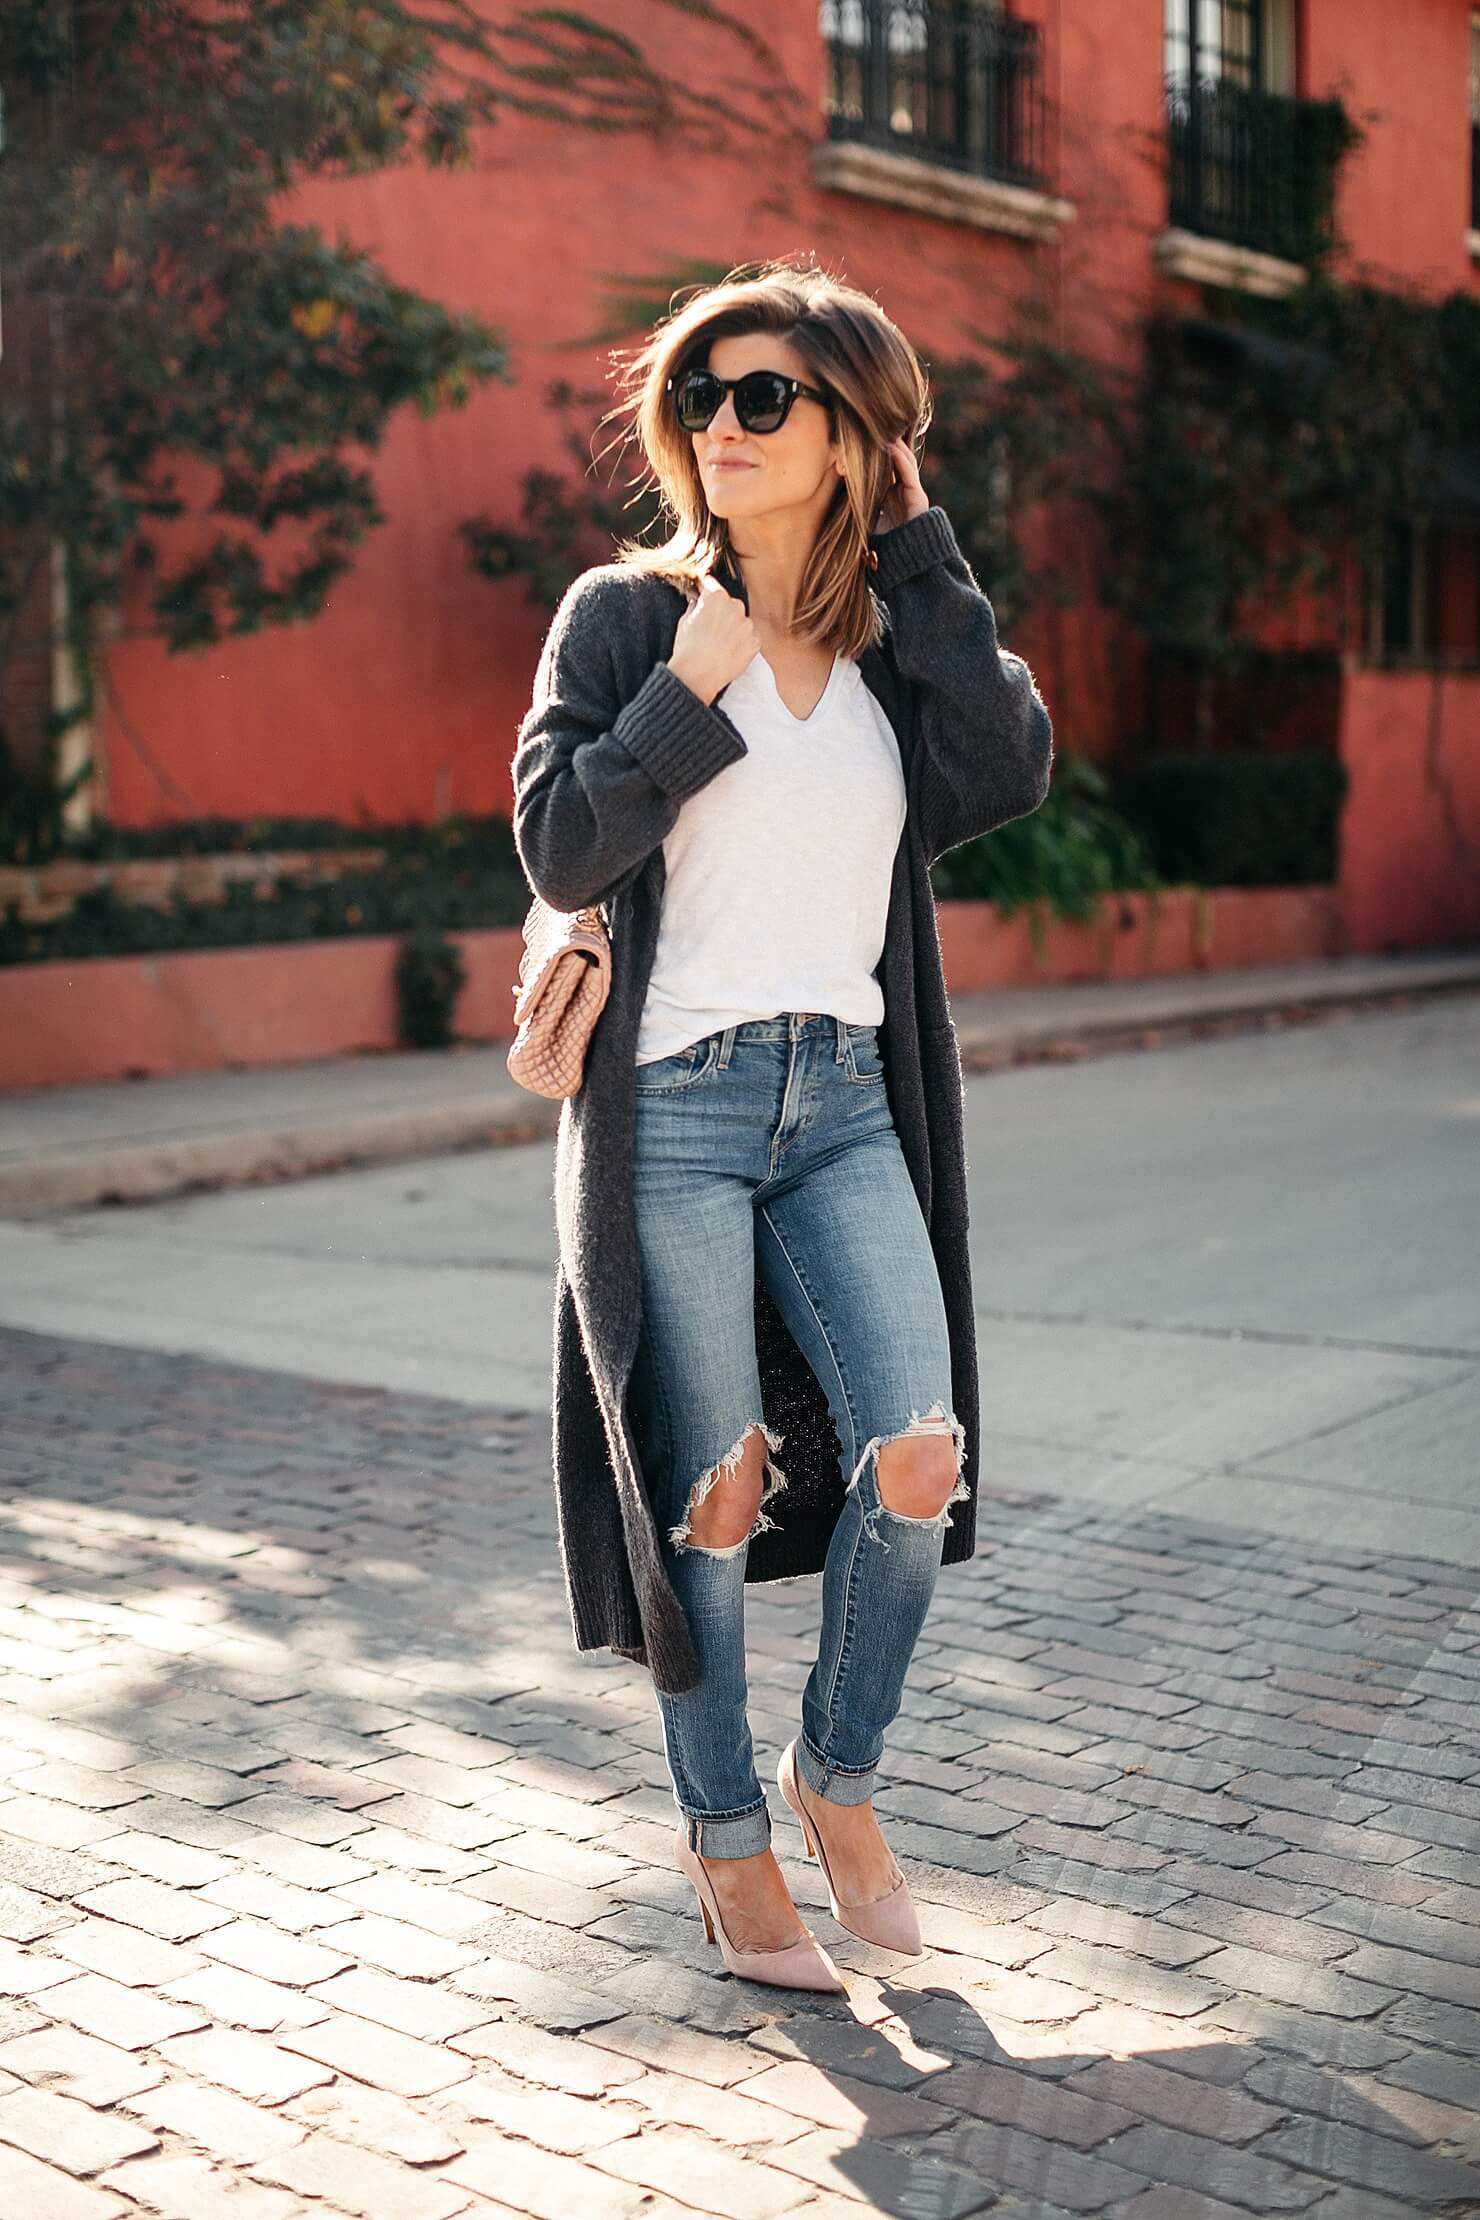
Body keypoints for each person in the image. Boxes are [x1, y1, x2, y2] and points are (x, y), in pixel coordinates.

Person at [512, 258, 1053, 1994]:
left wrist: (919, 546)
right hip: (670, 1104)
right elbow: (560, 851)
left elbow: (1008, 765)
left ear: (851, 435)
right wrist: (690, 690)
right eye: (700, 397)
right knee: (716, 1492)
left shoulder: (900, 651)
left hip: (844, 1102)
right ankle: (729, 1847)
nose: (720, 426)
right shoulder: (621, 614)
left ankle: (840, 1778)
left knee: (918, 1449)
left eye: (766, 398)